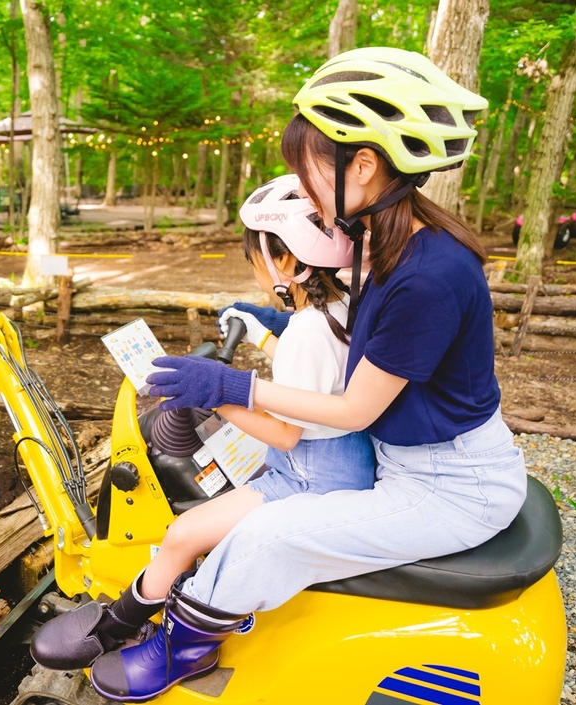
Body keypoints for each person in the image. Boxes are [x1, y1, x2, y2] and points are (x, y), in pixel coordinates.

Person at [86, 47, 527, 702]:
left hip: (448, 486)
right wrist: (273, 316)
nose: (303, 187)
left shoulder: (425, 275)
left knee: (271, 533)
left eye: (308, 169)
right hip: (422, 462)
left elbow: (354, 409)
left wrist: (231, 387)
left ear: (366, 166)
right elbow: (353, 329)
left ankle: (184, 644)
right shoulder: (388, 244)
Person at [29, 174, 376, 687]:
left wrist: (217, 394)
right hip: (338, 463)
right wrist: (259, 336)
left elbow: (284, 434)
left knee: (183, 532)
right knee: (196, 527)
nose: (256, 273)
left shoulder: (307, 331)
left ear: (284, 262)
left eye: (255, 262)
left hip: (308, 477)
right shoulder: (340, 311)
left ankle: (134, 627)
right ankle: (137, 615)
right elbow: (314, 384)